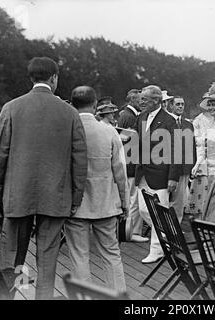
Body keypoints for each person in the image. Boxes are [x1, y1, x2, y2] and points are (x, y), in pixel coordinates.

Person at [0, 57, 88, 299]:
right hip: (56, 197)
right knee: (47, 259)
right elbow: (79, 159)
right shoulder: (70, 113)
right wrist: (75, 198)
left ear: (31, 77)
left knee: (13, 257)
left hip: (16, 196)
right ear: (54, 78)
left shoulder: (11, 108)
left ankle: (13, 296)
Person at [64, 86, 128, 290]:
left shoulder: (67, 131)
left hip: (75, 207)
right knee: (111, 254)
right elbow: (120, 171)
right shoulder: (108, 131)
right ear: (95, 105)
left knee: (79, 256)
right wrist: (124, 202)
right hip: (106, 203)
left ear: (73, 104)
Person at [135, 85, 180, 264]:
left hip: (162, 174)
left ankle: (157, 249)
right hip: (144, 173)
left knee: (158, 212)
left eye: (144, 99)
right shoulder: (141, 118)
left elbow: (177, 150)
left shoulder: (170, 120)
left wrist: (173, 177)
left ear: (156, 101)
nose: (141, 102)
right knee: (144, 210)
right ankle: (168, 238)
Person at [189, 93, 215, 223]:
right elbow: (203, 146)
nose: (211, 108)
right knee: (207, 203)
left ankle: (214, 236)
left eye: (214, 105)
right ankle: (208, 235)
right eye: (209, 105)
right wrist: (198, 164)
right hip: (210, 169)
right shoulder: (210, 122)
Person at [117, 89, 149, 243]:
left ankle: (130, 231)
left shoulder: (125, 115)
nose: (141, 103)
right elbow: (131, 141)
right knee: (133, 200)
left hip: (127, 162)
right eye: (139, 100)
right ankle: (131, 231)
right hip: (131, 164)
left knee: (131, 199)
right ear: (132, 100)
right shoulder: (130, 117)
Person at [168, 96, 196, 223]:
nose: (180, 107)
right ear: (171, 106)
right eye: (177, 104)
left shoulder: (188, 125)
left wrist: (192, 166)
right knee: (165, 199)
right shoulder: (166, 122)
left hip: (184, 167)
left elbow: (192, 146)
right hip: (168, 167)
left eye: (182, 104)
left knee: (179, 200)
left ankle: (176, 227)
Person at [185, 93, 213, 217]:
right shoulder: (198, 120)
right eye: (208, 103)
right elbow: (195, 138)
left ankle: (209, 213)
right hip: (202, 153)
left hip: (214, 155)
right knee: (201, 185)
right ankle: (199, 213)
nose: (210, 106)